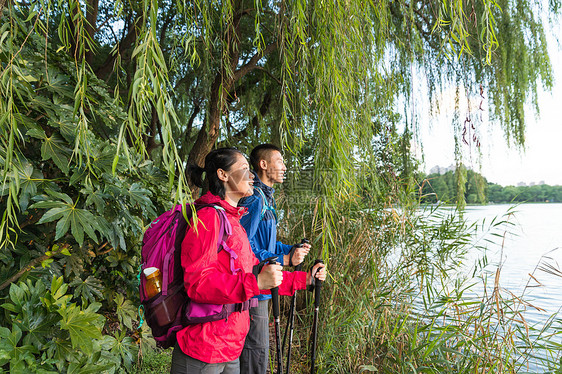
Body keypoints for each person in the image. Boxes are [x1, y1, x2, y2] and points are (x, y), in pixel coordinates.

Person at [171, 147, 326, 374]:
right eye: (244, 169)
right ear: (223, 175)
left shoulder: (234, 221)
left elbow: (256, 269)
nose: (252, 175)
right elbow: (197, 284)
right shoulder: (208, 218)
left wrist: (305, 280)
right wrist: (256, 283)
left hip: (231, 346)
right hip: (204, 347)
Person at [238, 144, 311, 374]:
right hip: (254, 287)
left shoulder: (268, 198)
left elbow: (266, 243)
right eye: (279, 161)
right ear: (263, 165)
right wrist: (283, 259)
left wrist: (291, 249)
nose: (284, 167)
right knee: (255, 351)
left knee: (259, 350)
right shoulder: (254, 199)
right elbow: (244, 248)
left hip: (265, 284)